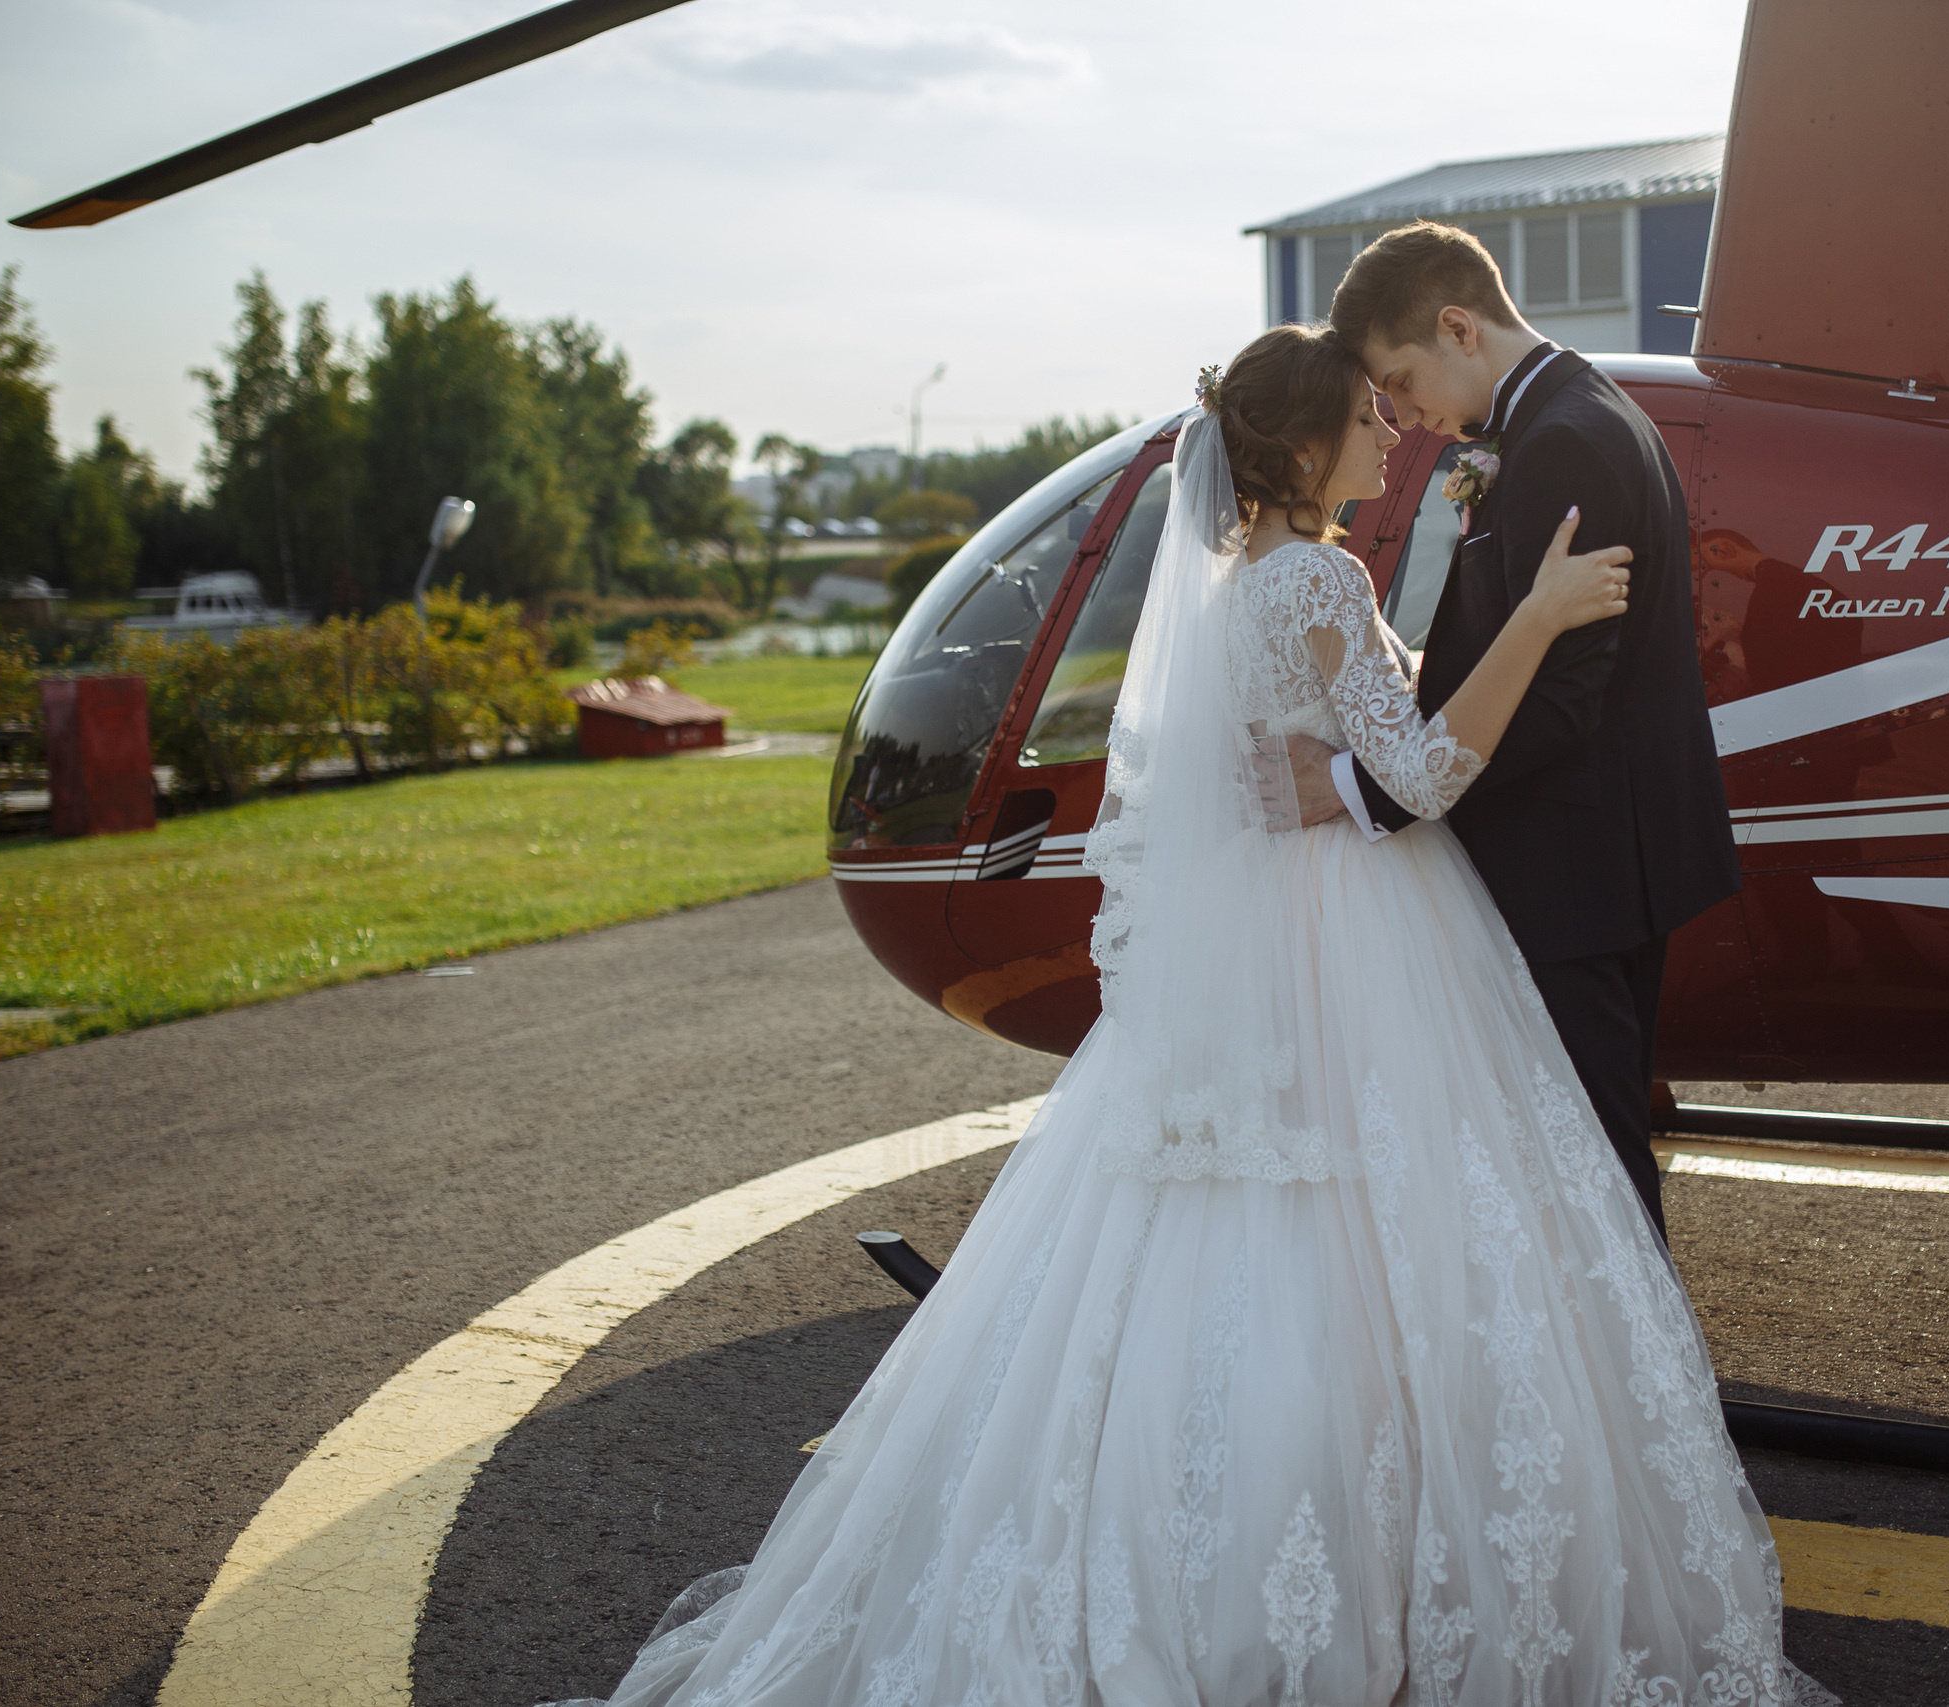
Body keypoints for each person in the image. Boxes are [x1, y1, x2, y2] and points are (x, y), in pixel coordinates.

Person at [547, 327, 1826, 1707]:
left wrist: (1338, 764)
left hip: (1281, 934)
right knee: (1391, 1224)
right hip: (1363, 931)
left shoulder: (1224, 591)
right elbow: (1431, 771)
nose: (1391, 433)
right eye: (1363, 417)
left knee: (1225, 1229)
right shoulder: (1323, 577)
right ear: (1295, 451)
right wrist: (1542, 611)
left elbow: (1288, 773)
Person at [1283, 222, 1743, 1238]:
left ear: (1458, 326)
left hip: (1572, 870)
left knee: (1591, 1157)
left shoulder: (1563, 440)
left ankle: (1639, 1387)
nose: (1402, 416)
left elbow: (1560, 702)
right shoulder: (1570, 418)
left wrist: (1369, 786)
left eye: (1400, 382)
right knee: (1577, 1144)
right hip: (1592, 857)